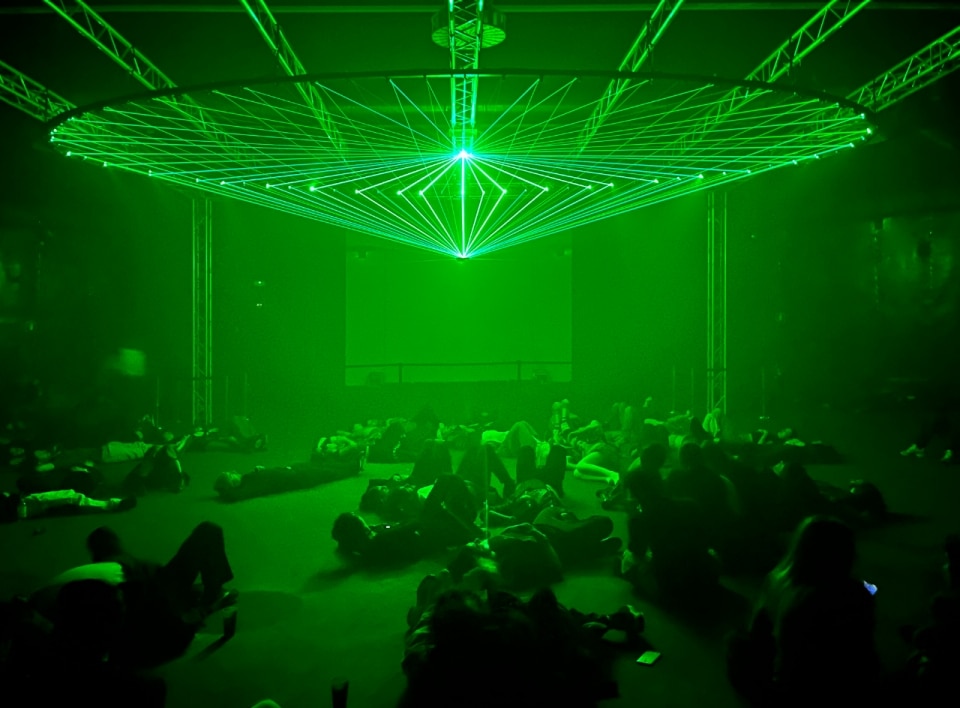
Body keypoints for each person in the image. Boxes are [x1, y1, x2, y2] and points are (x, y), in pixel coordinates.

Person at [729, 516, 880, 705]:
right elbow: (863, 652)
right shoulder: (851, 595)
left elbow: (757, 632)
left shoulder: (778, 581)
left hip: (782, 684)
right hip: (822, 689)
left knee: (736, 641)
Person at [214, 435, 361, 502]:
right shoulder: (244, 488)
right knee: (327, 472)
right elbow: (234, 495)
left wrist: (259, 471)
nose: (234, 472)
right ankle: (353, 466)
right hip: (297, 478)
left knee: (321, 466)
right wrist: (225, 489)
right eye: (231, 475)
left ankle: (350, 461)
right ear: (231, 483)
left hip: (292, 471)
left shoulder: (246, 480)